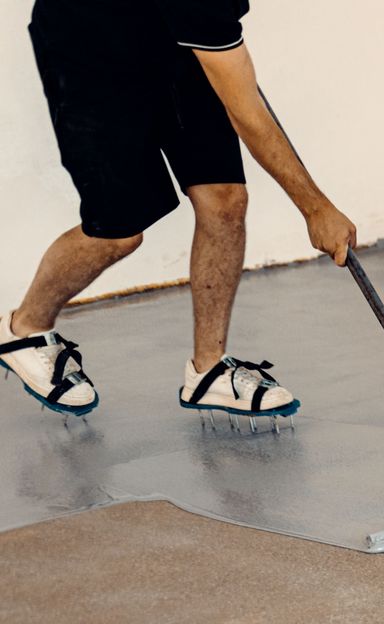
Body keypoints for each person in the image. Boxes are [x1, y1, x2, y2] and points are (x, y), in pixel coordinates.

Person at [2, 1, 357, 420]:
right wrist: (315, 209)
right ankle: (23, 330)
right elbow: (246, 114)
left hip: (171, 39)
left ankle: (208, 372)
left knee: (224, 199)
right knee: (119, 228)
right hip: (88, 45)